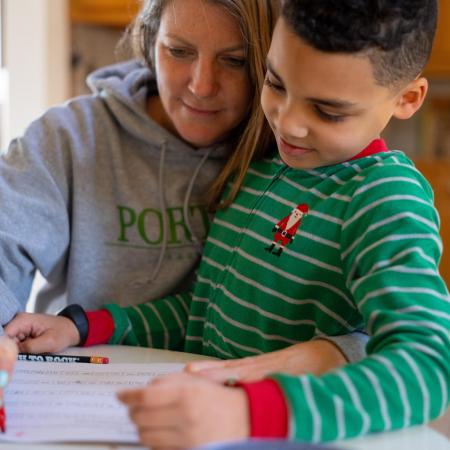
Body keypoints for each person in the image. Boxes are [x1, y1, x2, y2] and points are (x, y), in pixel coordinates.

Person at [103, 0, 450, 446]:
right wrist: (91, 326)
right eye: (275, 83)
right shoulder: (264, 168)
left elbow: (428, 367)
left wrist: (247, 411)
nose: (287, 123)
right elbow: (206, 315)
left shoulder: (384, 196)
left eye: (328, 112)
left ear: (407, 99)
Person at [4, 0, 370, 380]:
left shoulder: (294, 157)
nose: (201, 85)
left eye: (234, 60)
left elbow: (381, 332)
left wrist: (331, 352)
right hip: (85, 383)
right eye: (178, 51)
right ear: (149, 41)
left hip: (245, 403)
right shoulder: (69, 137)